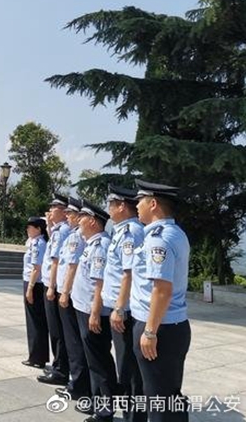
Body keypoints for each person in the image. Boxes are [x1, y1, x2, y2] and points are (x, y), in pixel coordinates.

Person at [131, 180, 190, 422]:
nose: (136, 206)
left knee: (157, 400)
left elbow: (162, 290)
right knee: (169, 396)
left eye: (140, 201)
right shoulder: (175, 233)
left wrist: (150, 332)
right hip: (172, 327)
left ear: (153, 204)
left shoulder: (159, 239)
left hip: (159, 328)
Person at [104, 185, 146, 422]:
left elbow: (128, 274)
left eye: (112, 203)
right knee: (125, 369)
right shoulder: (121, 231)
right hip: (120, 308)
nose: (108, 208)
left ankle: (135, 418)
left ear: (122, 206)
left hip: (127, 311)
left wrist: (119, 308)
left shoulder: (131, 232)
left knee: (130, 371)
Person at [72, 200, 117, 422]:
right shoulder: (91, 243)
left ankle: (105, 409)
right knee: (93, 360)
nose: (78, 221)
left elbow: (99, 284)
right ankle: (95, 400)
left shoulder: (101, 246)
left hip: (93, 312)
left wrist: (95, 313)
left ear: (92, 221)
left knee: (99, 362)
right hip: (84, 309)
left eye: (82, 217)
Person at [55, 197, 92, 403]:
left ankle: (78, 385)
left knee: (74, 342)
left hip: (71, 295)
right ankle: (77, 382)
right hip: (71, 294)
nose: (67, 216)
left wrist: (65, 292)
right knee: (73, 341)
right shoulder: (75, 235)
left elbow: (72, 266)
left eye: (70, 213)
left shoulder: (77, 237)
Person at [37, 194, 71, 386]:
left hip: (55, 286)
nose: (50, 210)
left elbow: (57, 260)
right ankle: (58, 364)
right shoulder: (58, 230)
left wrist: (51, 286)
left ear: (64, 211)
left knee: (58, 332)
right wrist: (50, 225)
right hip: (53, 284)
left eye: (54, 207)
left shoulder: (64, 230)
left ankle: (61, 369)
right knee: (55, 330)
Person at [22, 216, 50, 369]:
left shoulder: (39, 244)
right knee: (34, 321)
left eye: (30, 227)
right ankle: (36, 355)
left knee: (35, 322)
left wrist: (30, 289)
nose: (27, 230)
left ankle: (37, 357)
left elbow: (36, 268)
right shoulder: (34, 242)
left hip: (34, 284)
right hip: (31, 282)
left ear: (38, 229)